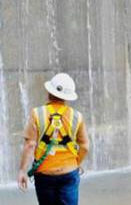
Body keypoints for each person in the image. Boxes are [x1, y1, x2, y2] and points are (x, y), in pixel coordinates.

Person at [17, 73, 89, 205]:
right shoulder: (77, 116)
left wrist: (22, 171)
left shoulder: (37, 114)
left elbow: (30, 145)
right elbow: (85, 146)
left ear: (49, 92)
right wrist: (76, 163)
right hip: (69, 172)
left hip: (45, 174)